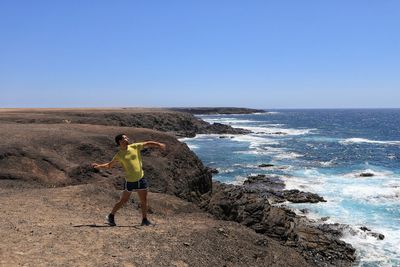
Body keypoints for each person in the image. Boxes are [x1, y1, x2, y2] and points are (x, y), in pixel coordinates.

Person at [92, 134, 166, 226]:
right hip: (130, 181)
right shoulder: (119, 155)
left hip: (140, 179)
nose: (127, 139)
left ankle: (144, 220)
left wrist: (158, 144)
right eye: (125, 138)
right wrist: (98, 166)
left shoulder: (135, 147)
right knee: (123, 200)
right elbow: (109, 165)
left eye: (127, 137)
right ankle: (111, 216)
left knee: (144, 200)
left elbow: (147, 143)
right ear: (120, 141)